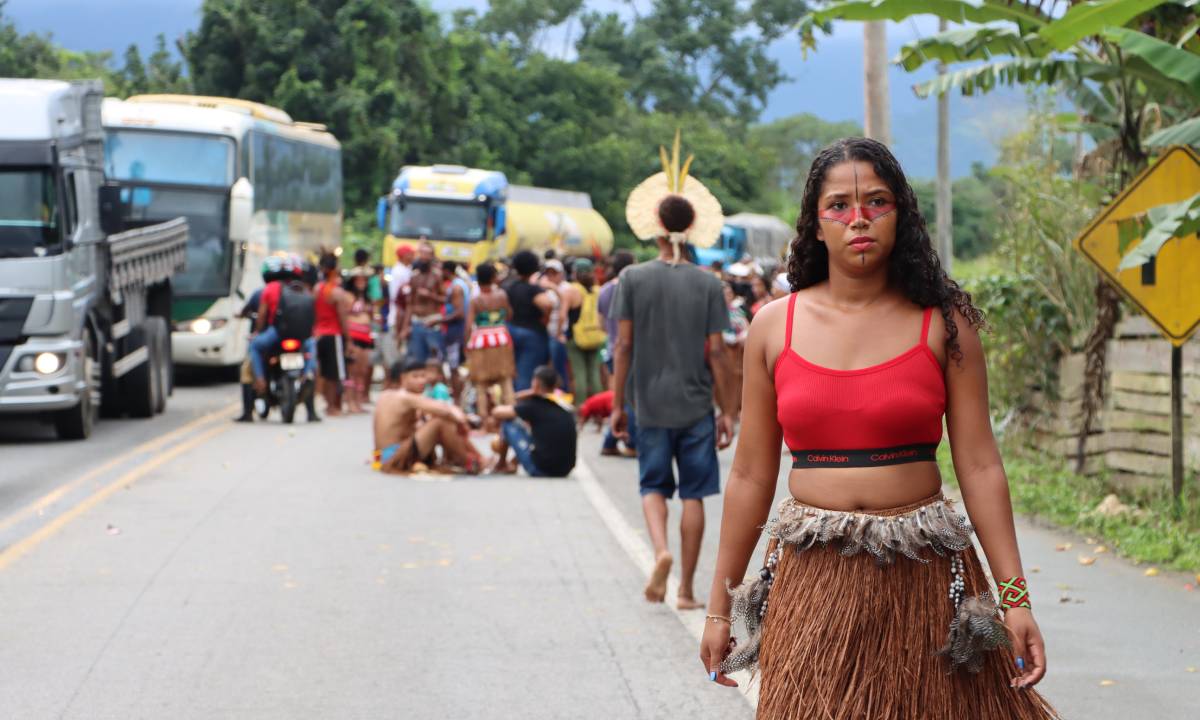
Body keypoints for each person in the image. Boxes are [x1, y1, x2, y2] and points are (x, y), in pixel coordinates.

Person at [699, 138, 1058, 720]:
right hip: (811, 585)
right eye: (838, 205)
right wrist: (720, 611)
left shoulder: (945, 324)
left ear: (902, 215)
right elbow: (748, 474)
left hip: (926, 578)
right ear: (814, 226)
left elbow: (980, 465)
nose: (858, 218)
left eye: (877, 201)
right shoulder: (772, 327)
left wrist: (1015, 601)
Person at [612, 138, 736, 611]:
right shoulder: (708, 284)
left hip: (649, 402)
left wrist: (618, 403)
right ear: (693, 226)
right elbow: (718, 354)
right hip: (696, 404)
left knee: (652, 486)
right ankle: (685, 589)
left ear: (657, 227)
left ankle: (659, 550)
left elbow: (624, 345)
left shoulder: (633, 279)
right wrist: (729, 410)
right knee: (695, 495)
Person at [374, 358, 480, 474]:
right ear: (403, 378)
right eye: (415, 377)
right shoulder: (405, 397)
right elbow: (445, 410)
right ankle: (469, 461)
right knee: (440, 422)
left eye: (423, 376)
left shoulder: (385, 395)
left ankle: (470, 458)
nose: (421, 381)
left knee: (435, 421)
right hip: (392, 458)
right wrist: (463, 421)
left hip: (378, 458)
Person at [490, 365, 577, 478]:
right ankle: (512, 463)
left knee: (508, 424)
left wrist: (528, 393)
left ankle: (501, 465)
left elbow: (497, 412)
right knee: (537, 434)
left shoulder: (534, 405)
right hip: (565, 470)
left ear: (536, 383)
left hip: (541, 469)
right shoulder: (564, 403)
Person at [464, 262, 516, 424]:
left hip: (481, 342)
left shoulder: (476, 300)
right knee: (506, 380)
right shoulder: (502, 295)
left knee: (480, 384)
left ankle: (484, 419)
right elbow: (509, 315)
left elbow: (468, 326)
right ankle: (511, 412)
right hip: (501, 338)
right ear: (494, 278)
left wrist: (466, 344)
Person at [597, 250, 638, 456]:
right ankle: (628, 442)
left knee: (617, 396)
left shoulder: (604, 290)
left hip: (613, 348)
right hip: (629, 349)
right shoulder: (634, 288)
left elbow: (601, 324)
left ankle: (611, 440)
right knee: (630, 398)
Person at [505, 250, 555, 391]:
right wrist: (546, 319)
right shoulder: (533, 289)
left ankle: (512, 402)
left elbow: (506, 311)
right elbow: (547, 304)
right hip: (532, 333)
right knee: (526, 374)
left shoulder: (509, 287)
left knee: (513, 371)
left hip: (511, 330)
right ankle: (522, 407)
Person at [313, 253, 352, 417]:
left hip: (318, 334)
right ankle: (332, 407)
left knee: (323, 372)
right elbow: (343, 319)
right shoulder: (336, 292)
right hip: (333, 335)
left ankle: (327, 405)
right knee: (334, 374)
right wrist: (348, 340)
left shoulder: (316, 289)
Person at [564, 258, 606, 409]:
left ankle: (583, 407)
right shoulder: (598, 290)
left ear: (575, 273)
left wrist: (559, 334)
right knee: (594, 374)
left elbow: (563, 315)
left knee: (579, 374)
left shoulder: (572, 290)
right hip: (595, 335)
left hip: (576, 337)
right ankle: (599, 408)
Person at [400, 243, 444, 364]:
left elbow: (445, 299)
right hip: (416, 322)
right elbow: (410, 304)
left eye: (427, 254)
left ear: (432, 257)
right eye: (422, 253)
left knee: (434, 361)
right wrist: (405, 327)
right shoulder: (414, 277)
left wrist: (430, 295)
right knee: (416, 361)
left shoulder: (437, 276)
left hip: (432, 322)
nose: (424, 257)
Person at [343, 268, 375, 413]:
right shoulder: (348, 296)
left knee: (362, 370)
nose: (361, 282)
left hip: (365, 336)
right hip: (353, 335)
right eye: (358, 279)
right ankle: (350, 402)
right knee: (352, 371)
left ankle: (358, 400)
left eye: (364, 280)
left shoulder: (367, 298)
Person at [539, 259, 572, 394]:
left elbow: (563, 314)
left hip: (558, 333)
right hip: (546, 332)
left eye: (554, 273)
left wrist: (559, 333)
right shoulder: (543, 288)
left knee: (559, 368)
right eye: (549, 273)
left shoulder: (566, 289)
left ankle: (562, 394)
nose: (551, 276)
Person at [441, 260, 471, 403]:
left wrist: (439, 320)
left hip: (455, 331)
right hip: (457, 330)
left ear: (447, 271)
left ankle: (457, 400)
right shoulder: (460, 284)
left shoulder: (456, 287)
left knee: (454, 368)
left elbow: (459, 312)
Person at [387, 245, 415, 363]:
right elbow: (397, 297)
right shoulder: (399, 272)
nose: (413, 256)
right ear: (404, 256)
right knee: (397, 350)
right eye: (411, 254)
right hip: (399, 314)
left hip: (404, 313)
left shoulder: (406, 269)